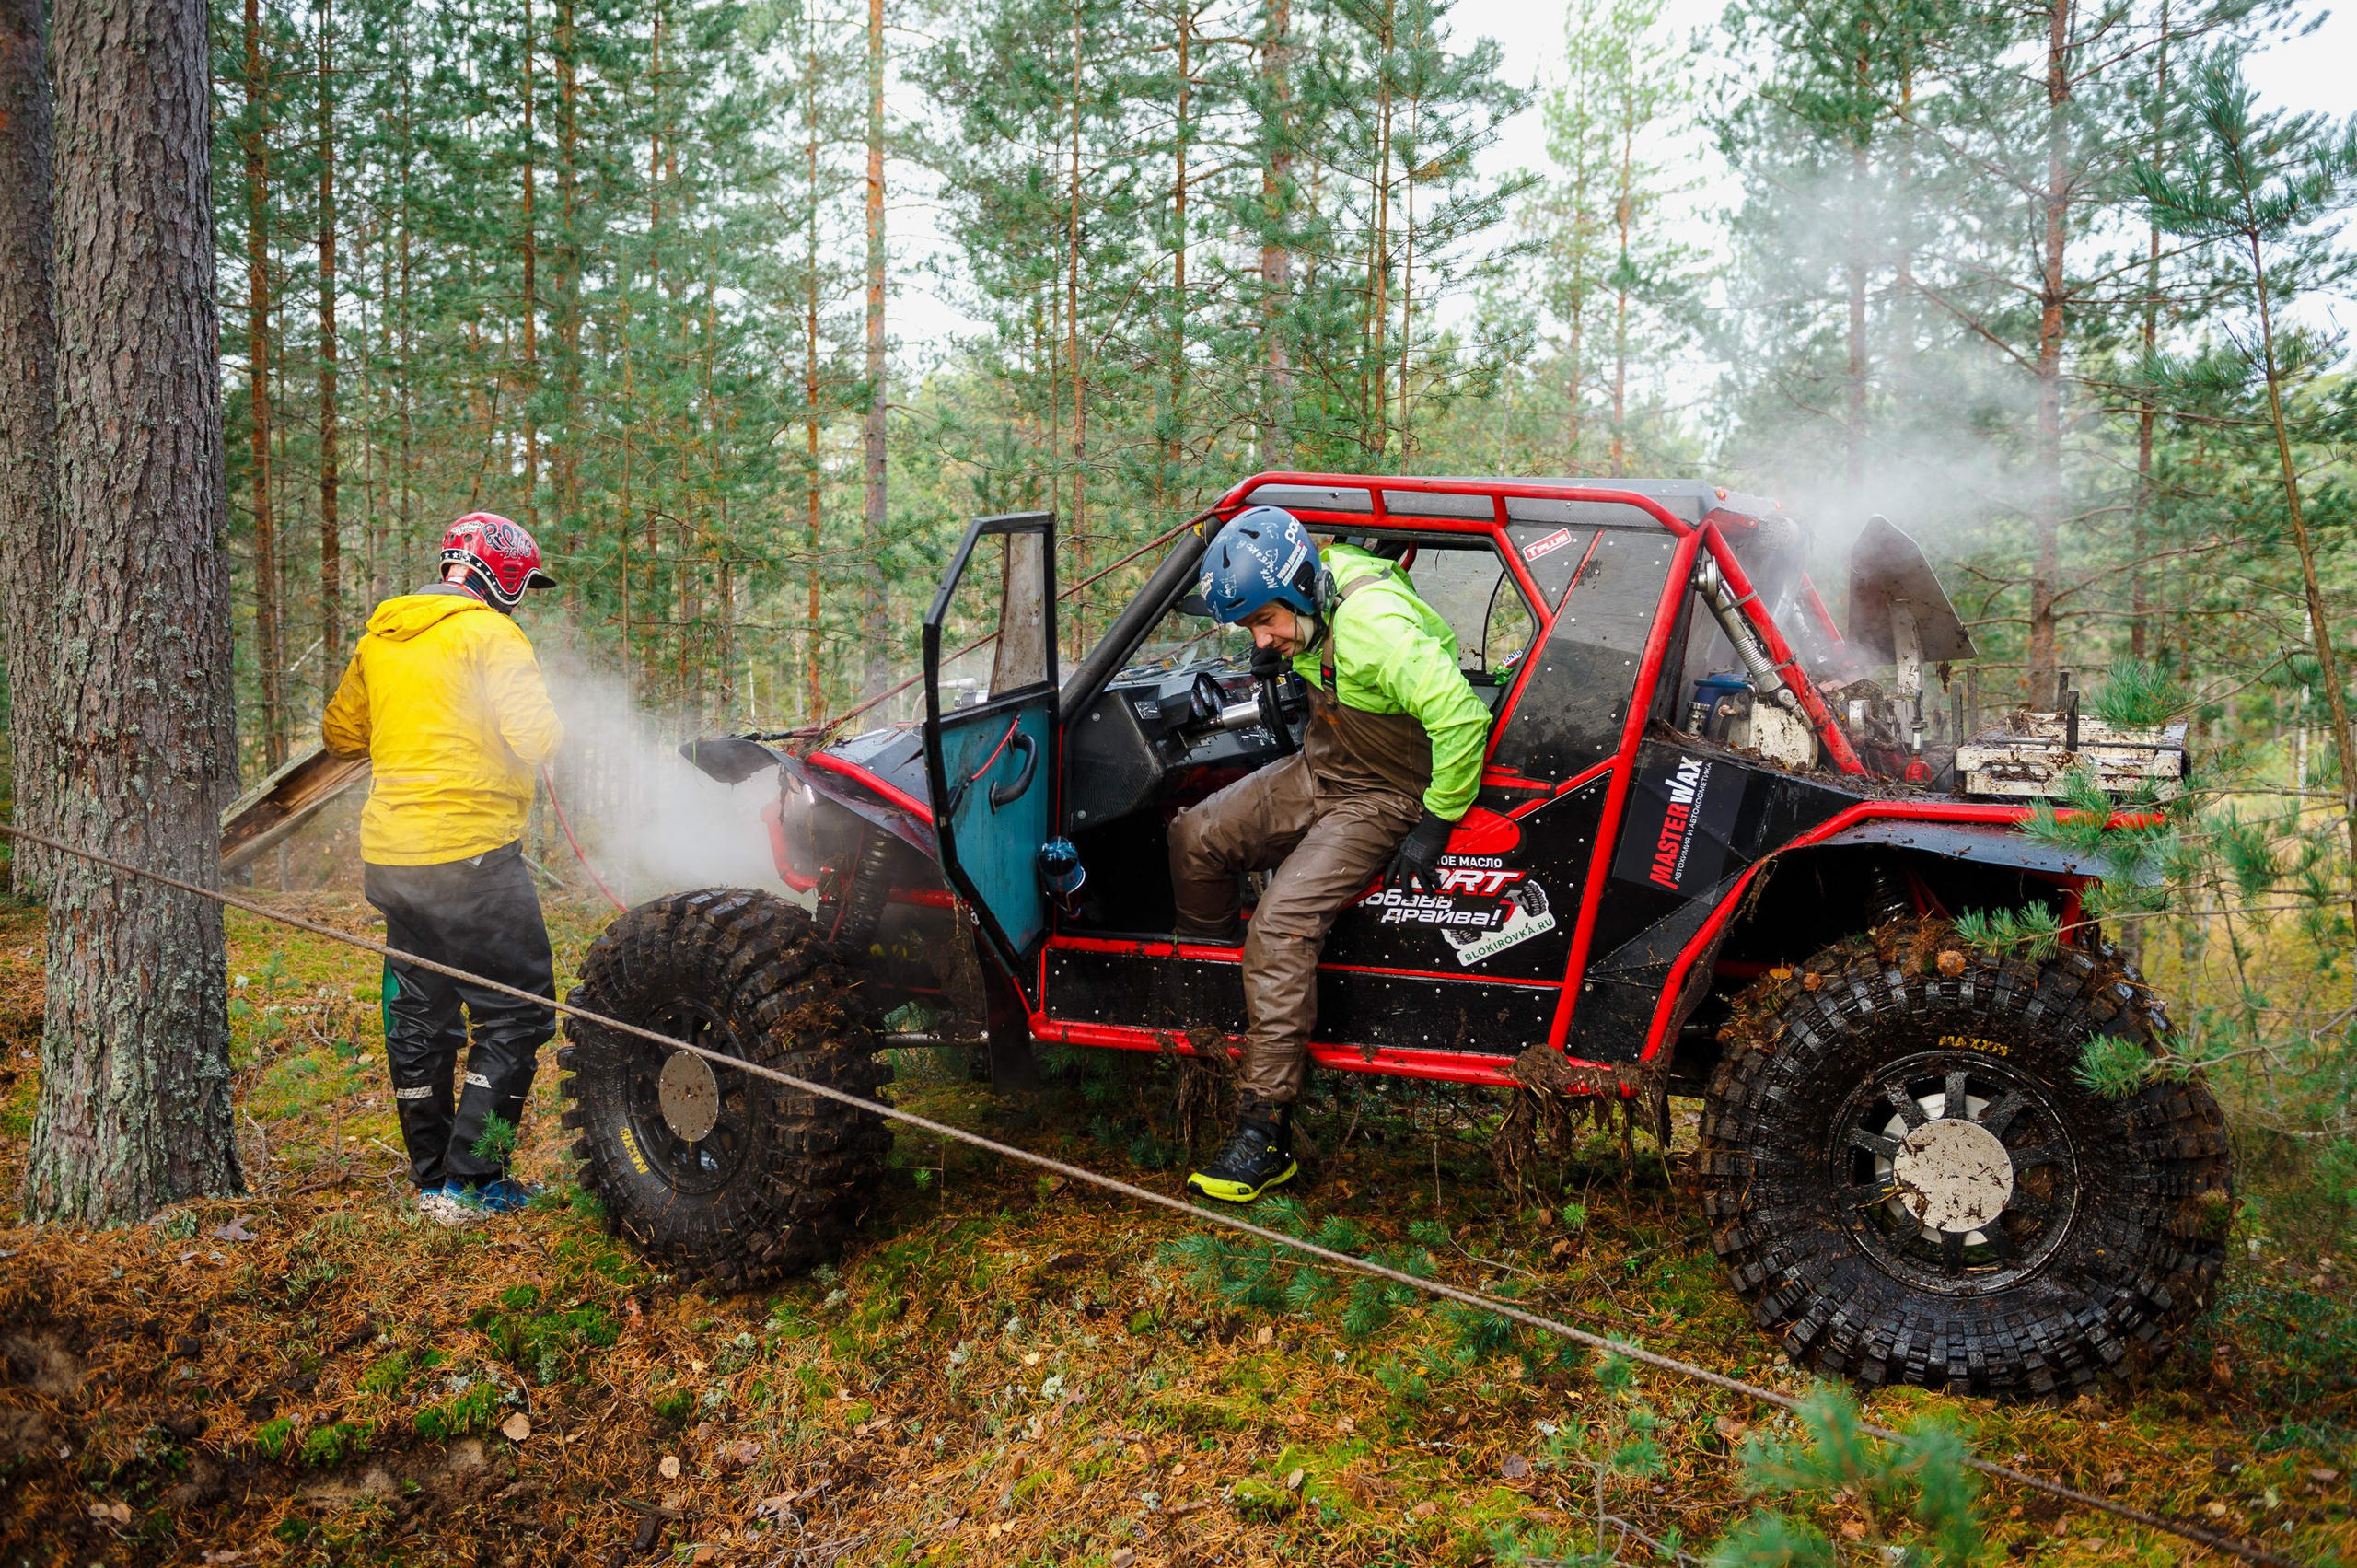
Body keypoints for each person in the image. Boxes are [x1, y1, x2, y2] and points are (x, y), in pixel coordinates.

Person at [1172, 506, 1490, 1202]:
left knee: (1281, 922)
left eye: (1265, 622)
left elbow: (1462, 716)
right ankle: (1214, 1004)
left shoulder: (1375, 626)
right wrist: (1282, 648)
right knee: (1193, 836)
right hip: (1326, 766)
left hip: (1386, 794)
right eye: (1251, 626)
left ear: (1300, 589)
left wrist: (1437, 820)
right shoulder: (1317, 589)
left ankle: (1264, 1133)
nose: (1262, 637)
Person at [323, 514, 564, 1225]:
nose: (522, 599)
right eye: (523, 586)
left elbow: (340, 734)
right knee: (518, 1011)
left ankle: (432, 1181)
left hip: (393, 859)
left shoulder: (381, 638)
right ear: (504, 577)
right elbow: (538, 736)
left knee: (420, 1017)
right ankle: (474, 1181)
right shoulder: (494, 634)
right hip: (472, 858)